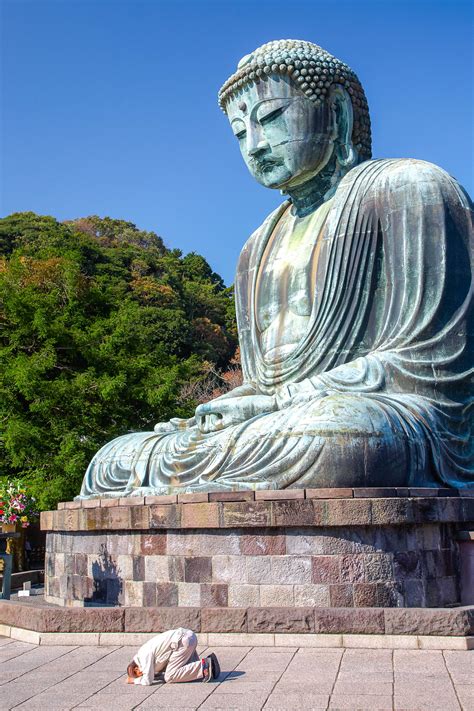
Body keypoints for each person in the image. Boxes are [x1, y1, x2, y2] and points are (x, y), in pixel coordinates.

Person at [79, 39, 473, 498]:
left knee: (340, 440)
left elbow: (430, 363)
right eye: (240, 134)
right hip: (278, 423)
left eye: (270, 118)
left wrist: (278, 402)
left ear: (338, 112)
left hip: (392, 419)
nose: (256, 145)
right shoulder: (256, 247)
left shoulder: (410, 188)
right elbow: (260, 381)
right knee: (116, 458)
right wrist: (218, 412)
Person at [126, 628, 220, 685]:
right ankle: (210, 666)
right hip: (188, 637)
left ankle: (205, 665)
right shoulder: (144, 652)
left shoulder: (143, 655)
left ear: (136, 669)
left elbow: (147, 681)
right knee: (183, 669)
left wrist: (134, 681)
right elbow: (156, 672)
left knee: (170, 677)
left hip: (182, 642)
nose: (141, 674)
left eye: (138, 675)